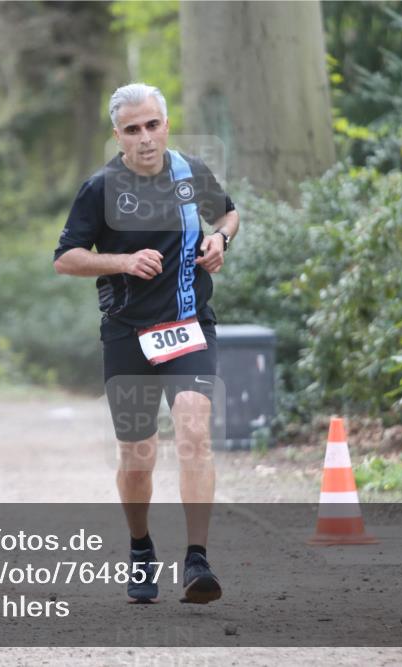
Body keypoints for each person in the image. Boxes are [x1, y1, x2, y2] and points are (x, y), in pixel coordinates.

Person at [54, 83, 239, 604]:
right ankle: (140, 549)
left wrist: (220, 239)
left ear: (165, 123)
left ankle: (197, 560)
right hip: (128, 335)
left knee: (194, 433)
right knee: (137, 455)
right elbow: (66, 258)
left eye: (152, 125)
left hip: (188, 327)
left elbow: (229, 213)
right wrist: (122, 261)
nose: (145, 137)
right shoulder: (100, 188)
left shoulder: (189, 173)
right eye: (132, 129)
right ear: (118, 135)